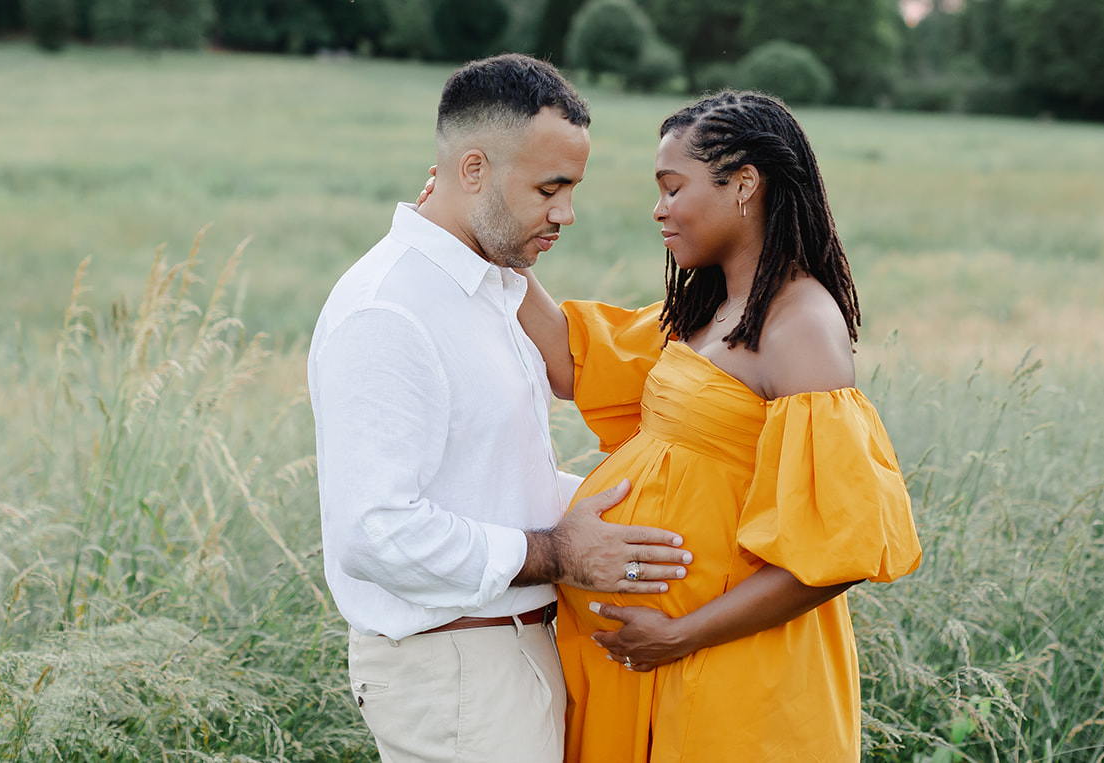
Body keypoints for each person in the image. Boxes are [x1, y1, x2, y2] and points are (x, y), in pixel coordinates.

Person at [514, 89, 922, 762]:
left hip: (738, 673)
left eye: (674, 188)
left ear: (744, 184)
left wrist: (681, 633)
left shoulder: (801, 327)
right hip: (649, 664)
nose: (659, 208)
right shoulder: (706, 309)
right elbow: (569, 356)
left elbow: (834, 554)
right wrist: (484, 237)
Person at [308, 54, 692, 763]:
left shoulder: (488, 287)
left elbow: (493, 476)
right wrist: (557, 553)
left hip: (513, 653)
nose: (566, 214)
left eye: (572, 188)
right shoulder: (387, 309)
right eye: (551, 188)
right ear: (474, 170)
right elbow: (374, 530)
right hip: (452, 672)